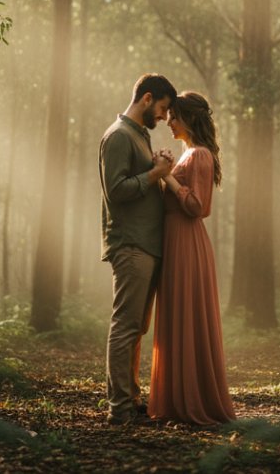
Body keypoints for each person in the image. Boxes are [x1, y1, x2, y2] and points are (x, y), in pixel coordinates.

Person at [148, 90, 236, 426]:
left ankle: (191, 400)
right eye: (168, 115)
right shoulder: (190, 154)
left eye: (174, 116)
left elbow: (199, 206)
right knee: (177, 314)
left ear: (190, 118)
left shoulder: (199, 154)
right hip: (177, 240)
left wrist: (166, 175)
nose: (169, 121)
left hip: (186, 241)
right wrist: (165, 169)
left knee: (186, 314)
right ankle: (176, 399)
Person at [99, 73, 178, 426]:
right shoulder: (118, 135)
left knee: (136, 329)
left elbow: (145, 180)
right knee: (126, 326)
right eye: (162, 108)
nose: (164, 116)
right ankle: (119, 409)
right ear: (147, 98)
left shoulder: (139, 136)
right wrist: (155, 174)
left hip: (146, 244)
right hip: (131, 244)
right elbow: (116, 190)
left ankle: (129, 399)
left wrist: (159, 166)